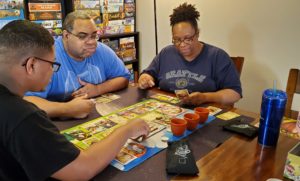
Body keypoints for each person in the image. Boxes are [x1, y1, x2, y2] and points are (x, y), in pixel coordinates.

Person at [0, 20, 149, 181]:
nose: (53, 71)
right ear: (31, 65)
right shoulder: (22, 116)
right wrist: (127, 130)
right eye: (52, 64)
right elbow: (82, 169)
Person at [24, 11, 130, 119]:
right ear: (66, 36)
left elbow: (124, 78)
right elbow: (27, 102)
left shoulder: (102, 50)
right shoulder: (48, 56)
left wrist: (98, 89)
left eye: (94, 36)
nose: (91, 42)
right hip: (55, 123)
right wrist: (67, 109)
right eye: (82, 36)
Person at [138, 3, 242, 106]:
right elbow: (148, 74)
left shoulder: (217, 56)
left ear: (197, 33)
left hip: (203, 114)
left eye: (188, 39)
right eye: (177, 40)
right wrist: (145, 78)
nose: (182, 45)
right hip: (168, 111)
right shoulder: (166, 53)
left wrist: (205, 97)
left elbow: (235, 93)